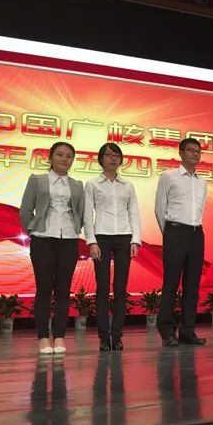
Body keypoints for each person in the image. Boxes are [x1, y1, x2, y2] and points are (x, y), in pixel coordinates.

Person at [19, 141, 84, 354]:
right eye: (60, 154)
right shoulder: (37, 180)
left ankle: (59, 337)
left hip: (69, 239)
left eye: (69, 156)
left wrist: (76, 229)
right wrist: (33, 231)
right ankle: (43, 338)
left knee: (64, 290)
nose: (64, 159)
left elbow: (81, 213)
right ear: (51, 157)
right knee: (44, 288)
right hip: (43, 239)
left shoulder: (77, 185)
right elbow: (25, 210)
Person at [84, 142, 141, 351]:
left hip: (124, 238)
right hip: (102, 237)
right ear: (101, 159)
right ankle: (103, 337)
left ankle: (116, 336)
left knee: (120, 289)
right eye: (108, 155)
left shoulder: (128, 185)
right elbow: (87, 214)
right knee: (102, 288)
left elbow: (134, 212)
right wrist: (91, 241)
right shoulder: (92, 184)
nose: (113, 158)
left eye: (116, 155)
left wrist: (135, 240)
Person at [154, 138, 208, 347]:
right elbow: (160, 208)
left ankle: (188, 330)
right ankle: (167, 330)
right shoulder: (169, 176)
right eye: (191, 150)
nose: (195, 154)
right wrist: (169, 233)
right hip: (175, 231)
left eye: (198, 151)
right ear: (181, 153)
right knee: (171, 283)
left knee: (192, 284)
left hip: (196, 233)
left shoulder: (202, 182)